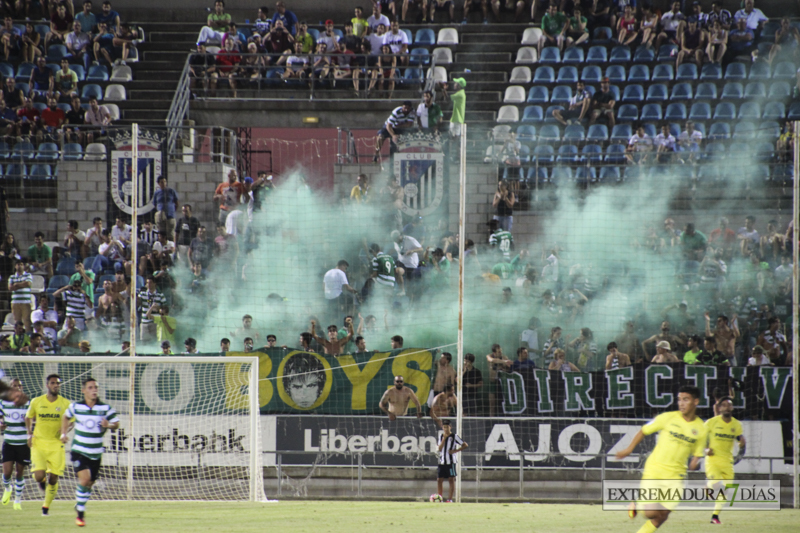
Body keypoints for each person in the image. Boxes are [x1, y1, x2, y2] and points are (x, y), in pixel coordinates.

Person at [615, 385, 706, 532]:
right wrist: (629, 449)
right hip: (655, 470)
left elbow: (698, 453)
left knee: (663, 515)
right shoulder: (668, 417)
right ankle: (638, 503)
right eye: (679, 400)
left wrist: (695, 461)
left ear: (695, 402)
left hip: (676, 476)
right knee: (651, 513)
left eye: (685, 399)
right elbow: (644, 430)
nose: (681, 403)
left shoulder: (701, 428)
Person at [60, 377, 119, 527]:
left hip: (96, 452)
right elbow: (65, 416)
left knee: (90, 483)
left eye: (96, 387)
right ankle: (80, 514)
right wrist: (63, 433)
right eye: (91, 387)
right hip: (79, 450)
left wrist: (109, 425)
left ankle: (79, 503)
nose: (94, 390)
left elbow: (116, 423)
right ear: (84, 390)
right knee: (84, 480)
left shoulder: (105, 408)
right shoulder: (76, 407)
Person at [25, 374, 71, 516]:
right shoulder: (36, 401)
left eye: (58, 383)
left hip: (56, 444)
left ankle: (46, 507)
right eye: (53, 383)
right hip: (39, 443)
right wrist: (29, 434)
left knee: (54, 478)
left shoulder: (65, 403)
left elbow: (71, 421)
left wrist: (64, 431)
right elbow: (28, 417)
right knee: (39, 476)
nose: (56, 385)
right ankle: (42, 481)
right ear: (47, 385)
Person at [704, 397, 745, 524]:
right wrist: (705, 450)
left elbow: (740, 440)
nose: (727, 407)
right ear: (720, 408)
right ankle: (709, 487)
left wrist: (741, 445)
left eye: (729, 405)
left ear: (732, 408)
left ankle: (715, 516)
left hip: (727, 462)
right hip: (712, 461)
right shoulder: (711, 422)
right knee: (717, 485)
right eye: (724, 405)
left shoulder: (736, 425)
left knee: (725, 490)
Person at [0, 378, 29, 510]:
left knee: (19, 472)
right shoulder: (3, 402)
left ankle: (17, 500)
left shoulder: (28, 403)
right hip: (9, 442)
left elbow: (33, 421)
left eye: (19, 385)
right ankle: (7, 487)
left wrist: (28, 422)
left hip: (23, 443)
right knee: (7, 472)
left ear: (22, 388)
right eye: (14, 385)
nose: (17, 387)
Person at [436, 419, 467, 502]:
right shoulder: (441, 436)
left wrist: (455, 451)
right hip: (442, 461)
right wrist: (444, 439)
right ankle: (440, 498)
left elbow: (465, 445)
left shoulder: (454, 436)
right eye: (444, 427)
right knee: (439, 480)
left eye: (447, 427)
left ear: (450, 427)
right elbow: (439, 448)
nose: (445, 429)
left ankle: (450, 499)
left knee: (451, 479)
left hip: (451, 462)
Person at [8, 260, 32, 333]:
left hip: (25, 302)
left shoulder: (28, 275)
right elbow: (10, 288)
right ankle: (18, 337)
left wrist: (16, 285)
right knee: (17, 322)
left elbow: (27, 284)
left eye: (21, 264)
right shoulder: (12, 277)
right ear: (15, 266)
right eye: (18, 264)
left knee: (27, 321)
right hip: (15, 302)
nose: (19, 266)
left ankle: (28, 337)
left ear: (23, 266)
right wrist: (21, 284)